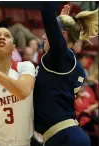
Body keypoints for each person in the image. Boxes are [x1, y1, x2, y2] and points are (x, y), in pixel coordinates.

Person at [32, 2, 98, 146]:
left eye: (47, 33)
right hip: (66, 136)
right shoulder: (74, 65)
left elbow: (47, 12)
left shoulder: (61, 58)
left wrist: (55, 23)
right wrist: (61, 22)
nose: (43, 37)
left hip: (65, 138)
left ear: (62, 35)